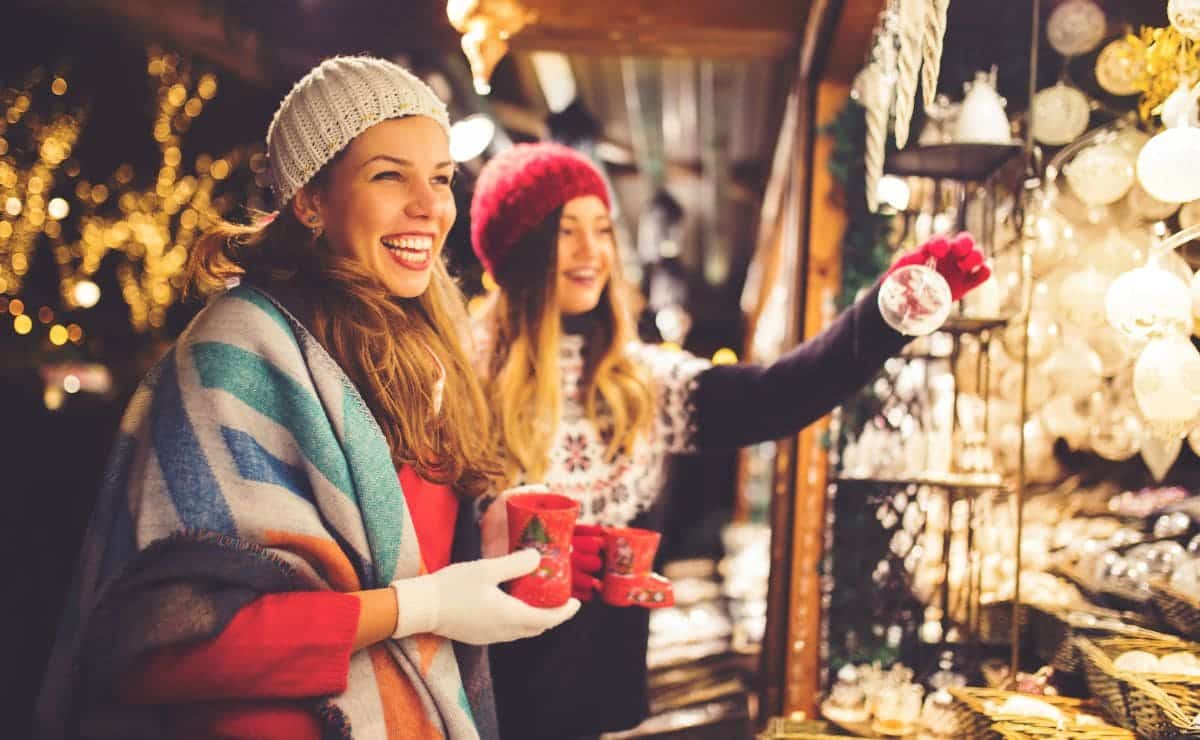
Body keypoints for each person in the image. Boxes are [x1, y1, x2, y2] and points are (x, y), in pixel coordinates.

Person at [35, 57, 578, 740]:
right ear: (310, 200)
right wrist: (426, 606)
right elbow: (165, 644)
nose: (429, 205)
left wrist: (494, 542)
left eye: (440, 178)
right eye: (389, 175)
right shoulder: (237, 353)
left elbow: (415, 550)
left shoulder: (423, 353)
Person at [468, 142, 990, 739]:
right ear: (519, 248)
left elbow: (774, 396)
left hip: (599, 712)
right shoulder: (459, 381)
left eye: (603, 229)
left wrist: (881, 314)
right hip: (486, 709)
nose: (593, 252)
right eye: (566, 231)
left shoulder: (639, 382)